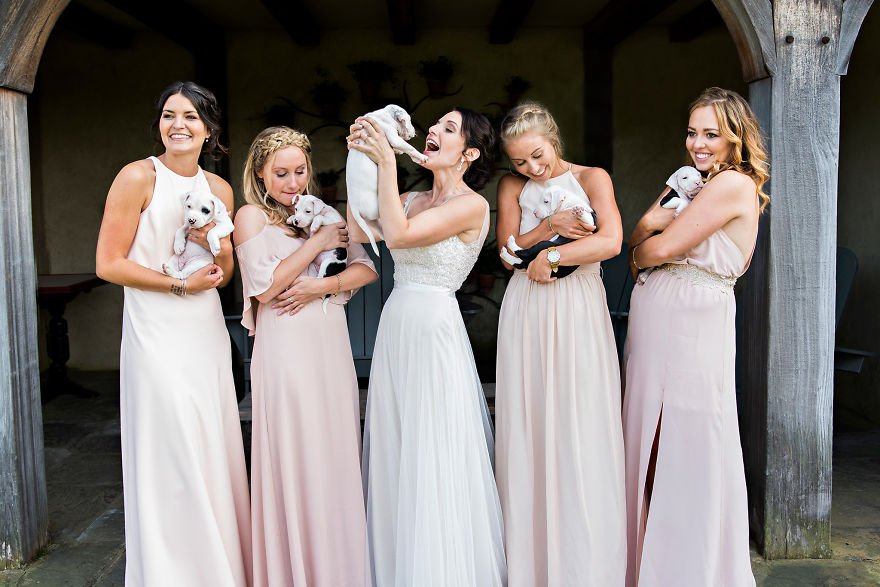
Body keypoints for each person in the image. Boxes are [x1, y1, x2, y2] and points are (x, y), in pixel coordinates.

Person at [95, 81, 251, 585]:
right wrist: (179, 284)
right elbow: (108, 264)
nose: (177, 125)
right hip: (154, 329)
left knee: (208, 442)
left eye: (189, 116)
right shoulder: (137, 177)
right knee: (169, 445)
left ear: (209, 129)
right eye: (168, 115)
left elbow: (225, 273)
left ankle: (215, 567)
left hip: (203, 330)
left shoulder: (219, 190)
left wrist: (213, 246)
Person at [347, 108, 507, 586]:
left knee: (432, 446)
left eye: (448, 129)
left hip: (435, 327)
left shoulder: (471, 206)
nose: (433, 130)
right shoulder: (411, 198)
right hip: (397, 323)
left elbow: (397, 236)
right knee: (397, 444)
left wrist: (387, 163)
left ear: (469, 153)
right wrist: (362, 159)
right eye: (435, 125)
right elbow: (360, 228)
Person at [623, 87, 768, 586]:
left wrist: (647, 240)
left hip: (692, 321)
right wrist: (646, 232)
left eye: (711, 134)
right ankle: (647, 562)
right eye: (692, 133)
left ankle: (686, 568)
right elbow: (638, 243)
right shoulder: (690, 181)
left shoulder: (733, 184)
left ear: (735, 138)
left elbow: (656, 250)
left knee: (687, 437)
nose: (698, 144)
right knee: (649, 438)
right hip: (656, 318)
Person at [234, 126, 377, 586]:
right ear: (260, 173)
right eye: (281, 173)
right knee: (295, 451)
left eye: (300, 171)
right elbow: (265, 287)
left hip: (329, 348)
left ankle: (338, 570)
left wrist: (322, 285)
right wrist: (316, 244)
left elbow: (366, 269)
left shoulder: (324, 213)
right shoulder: (251, 217)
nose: (293, 183)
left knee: (332, 451)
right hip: (285, 351)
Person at [494, 102, 627, 585]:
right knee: (529, 417)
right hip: (527, 307)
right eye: (520, 161)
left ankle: (584, 561)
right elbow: (507, 252)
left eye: (538, 155)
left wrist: (550, 257)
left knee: (580, 415)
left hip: (578, 307)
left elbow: (611, 241)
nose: (532, 168)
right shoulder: (512, 187)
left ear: (553, 139)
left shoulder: (593, 178)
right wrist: (550, 227)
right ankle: (530, 560)